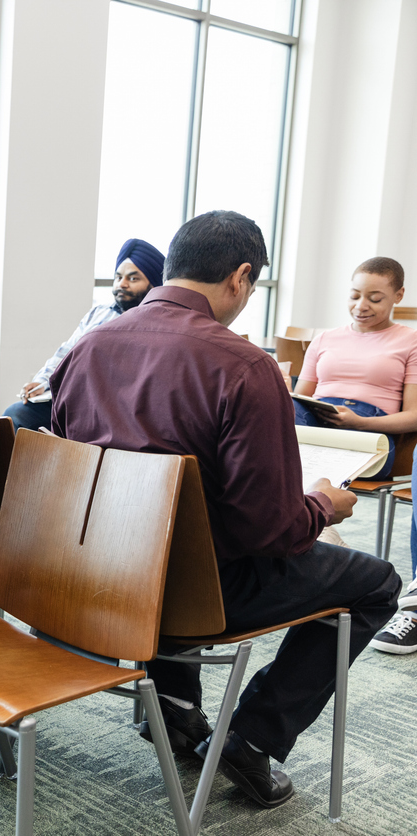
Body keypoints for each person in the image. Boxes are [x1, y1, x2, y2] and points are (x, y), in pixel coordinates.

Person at [50, 210, 400, 809]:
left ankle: (179, 708)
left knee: (188, 523)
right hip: (195, 596)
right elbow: (268, 529)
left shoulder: (88, 346)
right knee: (375, 583)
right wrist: (323, 505)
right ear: (241, 278)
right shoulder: (245, 366)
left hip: (93, 579)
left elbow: (70, 468)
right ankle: (252, 739)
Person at [290, 257, 417, 653]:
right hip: (318, 419)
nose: (362, 305)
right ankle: (300, 540)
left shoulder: (409, 341)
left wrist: (357, 423)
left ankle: (318, 534)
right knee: (281, 407)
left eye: (376, 298)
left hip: (370, 432)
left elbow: (414, 415)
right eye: (355, 295)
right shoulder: (326, 338)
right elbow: (300, 395)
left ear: (398, 295)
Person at [2, 238, 163, 431]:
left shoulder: (156, 325)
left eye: (133, 278)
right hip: (72, 400)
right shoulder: (99, 313)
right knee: (15, 416)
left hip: (111, 410)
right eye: (118, 277)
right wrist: (41, 382)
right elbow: (66, 352)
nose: (122, 284)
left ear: (154, 285)